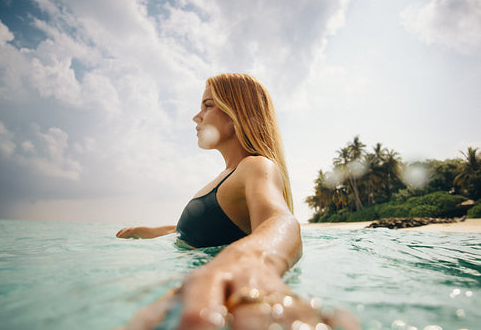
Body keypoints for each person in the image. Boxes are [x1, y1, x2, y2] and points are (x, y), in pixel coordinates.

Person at [116, 73, 359, 329]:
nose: (196, 117)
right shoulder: (226, 176)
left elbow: (280, 220)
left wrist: (252, 260)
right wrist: (149, 232)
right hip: (197, 285)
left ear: (236, 116)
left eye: (207, 105)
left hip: (214, 295)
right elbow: (210, 231)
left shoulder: (255, 166)